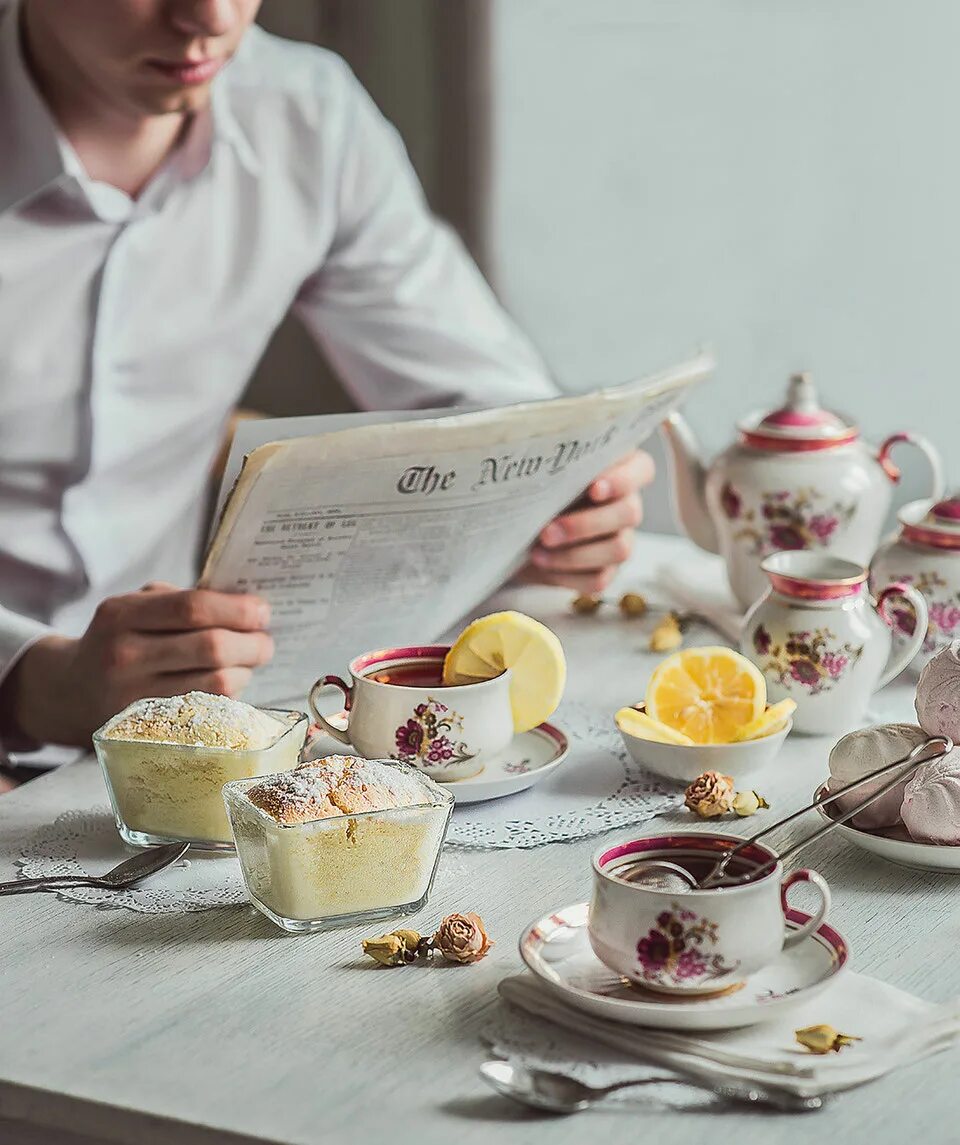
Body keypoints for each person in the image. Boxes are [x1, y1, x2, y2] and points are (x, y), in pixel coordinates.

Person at [0, 0, 654, 786]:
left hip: (200, 716)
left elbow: (482, 393)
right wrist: (35, 682)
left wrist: (562, 481)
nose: (211, 15)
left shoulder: (303, 116)